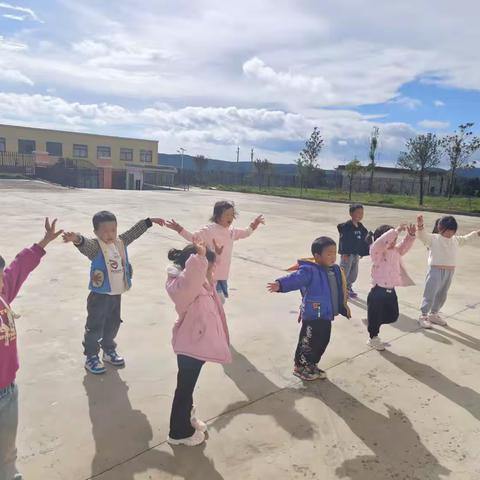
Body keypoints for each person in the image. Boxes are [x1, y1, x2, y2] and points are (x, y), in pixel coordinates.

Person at [63, 211, 165, 374]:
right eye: (105, 231)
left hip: (116, 295)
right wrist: (76, 238)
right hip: (99, 296)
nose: (109, 234)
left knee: (113, 324)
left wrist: (149, 221)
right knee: (95, 326)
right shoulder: (96, 248)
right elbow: (85, 244)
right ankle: (91, 356)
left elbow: (133, 233)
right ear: (96, 232)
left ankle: (108, 350)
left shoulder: (120, 242)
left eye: (113, 230)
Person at [1, 218, 62, 480]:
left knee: (6, 448)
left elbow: (18, 267)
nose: (1, 284)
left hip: (7, 390)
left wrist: (43, 243)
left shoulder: (3, 293)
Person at [166, 241, 231, 446]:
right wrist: (200, 260)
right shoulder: (182, 288)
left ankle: (188, 417)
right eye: (208, 268)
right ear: (193, 266)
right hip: (190, 347)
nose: (212, 273)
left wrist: (212, 257)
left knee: (187, 388)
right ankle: (179, 432)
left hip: (196, 345)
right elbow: (189, 281)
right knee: (184, 390)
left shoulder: (201, 284)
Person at [267, 237, 350, 381]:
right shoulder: (309, 270)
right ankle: (300, 366)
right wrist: (280, 284)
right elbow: (295, 279)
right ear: (317, 256)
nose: (333, 257)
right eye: (328, 254)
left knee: (323, 340)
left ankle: (311, 364)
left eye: (334, 253)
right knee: (308, 340)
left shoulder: (334, 269)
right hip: (314, 312)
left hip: (326, 314)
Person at [166, 200, 264, 302]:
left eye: (232, 214)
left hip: (223, 274)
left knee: (219, 301)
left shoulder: (232, 231)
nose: (230, 217)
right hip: (210, 274)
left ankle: (211, 315)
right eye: (227, 215)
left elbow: (245, 233)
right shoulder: (209, 230)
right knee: (218, 300)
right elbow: (193, 238)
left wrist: (254, 224)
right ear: (217, 216)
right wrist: (179, 229)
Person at [417, 214, 480, 328]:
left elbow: (466, 238)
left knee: (442, 294)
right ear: (440, 228)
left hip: (450, 271)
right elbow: (422, 236)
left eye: (452, 230)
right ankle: (423, 315)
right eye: (448, 230)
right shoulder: (434, 238)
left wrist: (477, 233)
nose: (450, 233)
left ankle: (434, 314)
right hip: (435, 270)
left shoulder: (455, 240)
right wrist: (420, 225)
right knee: (430, 292)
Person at [366, 223, 416, 350]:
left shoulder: (395, 251)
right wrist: (396, 231)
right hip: (378, 291)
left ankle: (373, 321)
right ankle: (373, 337)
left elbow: (405, 246)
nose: (394, 242)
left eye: (395, 239)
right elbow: (379, 243)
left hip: (391, 290)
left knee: (393, 315)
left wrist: (410, 236)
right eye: (391, 239)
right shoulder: (377, 253)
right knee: (375, 317)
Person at [337, 203, 372, 299]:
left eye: (362, 213)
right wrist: (344, 252)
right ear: (351, 214)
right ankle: (341, 290)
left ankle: (348, 288)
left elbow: (364, 238)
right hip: (347, 254)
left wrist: (363, 251)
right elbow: (343, 240)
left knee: (353, 273)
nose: (360, 215)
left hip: (356, 254)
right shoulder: (346, 226)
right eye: (358, 213)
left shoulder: (361, 226)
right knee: (344, 272)